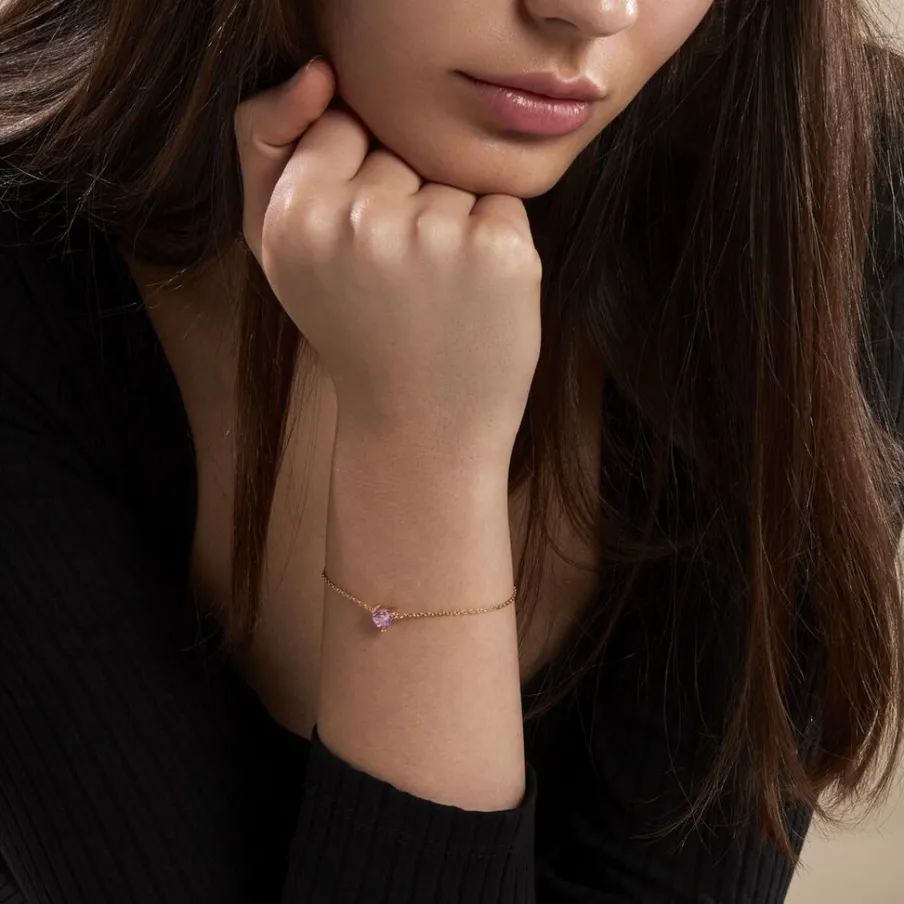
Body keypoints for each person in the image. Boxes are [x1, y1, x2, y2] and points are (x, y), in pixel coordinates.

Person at [0, 0, 903, 900]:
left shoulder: (833, 181)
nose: (596, 12)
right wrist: (420, 451)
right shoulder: (27, 271)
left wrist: (428, 449)